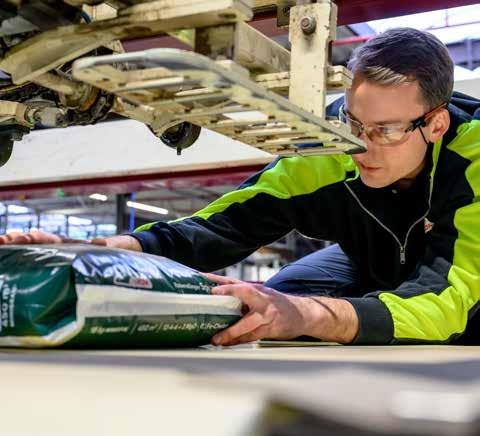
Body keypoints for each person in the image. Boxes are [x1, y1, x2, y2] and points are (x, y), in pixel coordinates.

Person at [2, 28, 480, 346]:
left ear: (435, 124)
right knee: (278, 297)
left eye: (386, 131)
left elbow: (449, 299)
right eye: (354, 123)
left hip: (464, 283)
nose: (360, 146)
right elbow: (222, 228)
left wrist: (312, 315)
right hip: (371, 261)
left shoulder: (472, 160)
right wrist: (103, 251)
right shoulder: (334, 145)